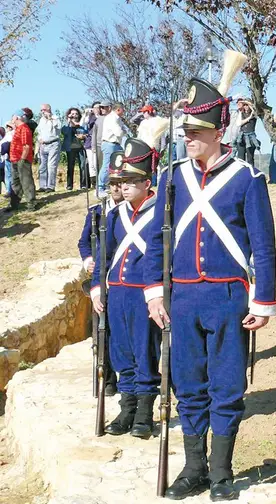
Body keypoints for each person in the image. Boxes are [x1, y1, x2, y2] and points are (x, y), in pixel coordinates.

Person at [143, 66, 276, 501]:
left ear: (220, 131)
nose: (189, 137)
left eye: (198, 130)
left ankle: (221, 471)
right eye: (186, 130)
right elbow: (154, 241)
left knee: (225, 385)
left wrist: (264, 301)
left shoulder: (247, 179)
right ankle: (194, 467)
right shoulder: (171, 178)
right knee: (188, 383)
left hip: (226, 297)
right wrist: (153, 290)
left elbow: (264, 245)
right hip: (182, 296)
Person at [91, 136, 164, 437]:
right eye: (122, 181)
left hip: (143, 293)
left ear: (148, 182)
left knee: (144, 352)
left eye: (133, 180)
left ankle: (145, 414)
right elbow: (103, 256)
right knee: (121, 354)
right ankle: (127, 409)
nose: (125, 186)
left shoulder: (161, 213)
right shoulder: (113, 215)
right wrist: (98, 287)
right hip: (117, 292)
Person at [78, 167, 125, 397]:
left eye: (121, 182)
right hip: (100, 280)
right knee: (100, 331)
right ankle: (107, 378)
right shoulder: (96, 213)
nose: (117, 187)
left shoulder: (133, 212)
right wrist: (88, 259)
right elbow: (84, 242)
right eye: (113, 182)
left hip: (124, 279)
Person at [5, 110, 36, 212]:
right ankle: (14, 205)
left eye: (12, 117)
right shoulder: (18, 128)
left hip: (22, 159)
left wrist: (22, 159)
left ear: (17, 117)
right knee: (15, 182)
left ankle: (31, 204)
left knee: (26, 182)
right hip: (14, 159)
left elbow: (26, 146)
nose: (11, 119)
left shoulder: (24, 128)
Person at [36, 103, 62, 192]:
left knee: (51, 165)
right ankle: (42, 186)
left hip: (53, 144)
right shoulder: (41, 120)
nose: (42, 112)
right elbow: (39, 132)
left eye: (43, 110)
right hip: (43, 145)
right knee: (42, 166)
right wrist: (40, 139)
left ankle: (50, 186)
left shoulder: (55, 118)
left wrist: (50, 119)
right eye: (41, 110)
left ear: (48, 109)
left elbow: (58, 128)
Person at [62, 107, 88, 190]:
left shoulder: (82, 124)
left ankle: (83, 185)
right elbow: (64, 132)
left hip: (81, 147)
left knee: (83, 166)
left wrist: (83, 136)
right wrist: (69, 122)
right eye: (72, 114)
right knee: (70, 166)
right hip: (70, 148)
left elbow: (87, 134)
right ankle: (69, 185)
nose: (74, 115)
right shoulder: (67, 125)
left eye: (76, 114)